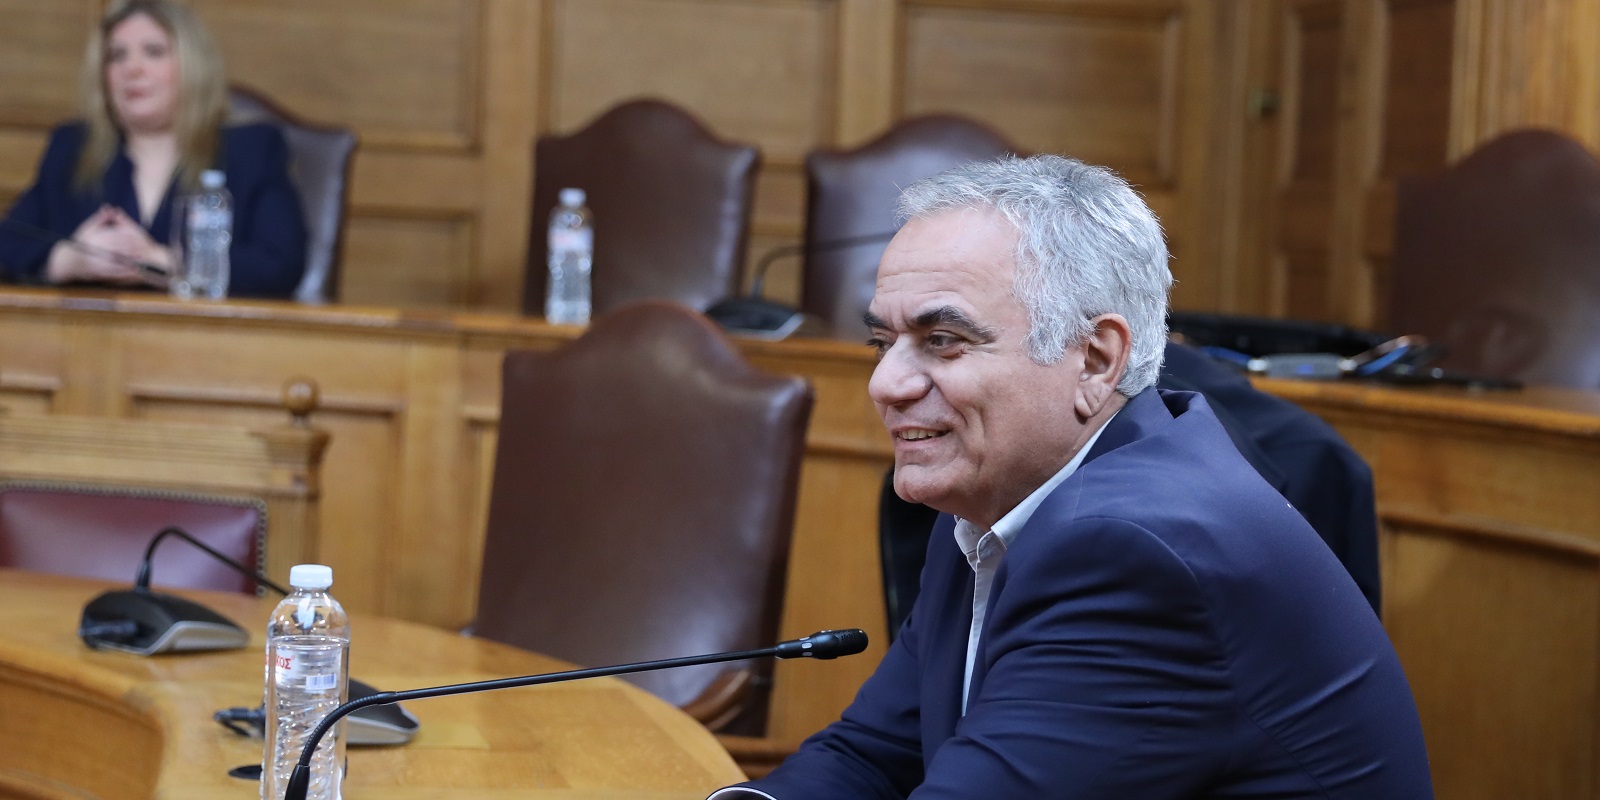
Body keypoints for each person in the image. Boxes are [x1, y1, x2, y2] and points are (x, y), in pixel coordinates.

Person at [710, 155, 1432, 798]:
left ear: (1095, 360)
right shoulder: (995, 503)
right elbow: (874, 756)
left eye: (942, 341)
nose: (886, 384)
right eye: (882, 342)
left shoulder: (1131, 551)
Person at [0, 0, 306, 298]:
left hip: (203, 330)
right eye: (117, 56)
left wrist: (164, 262)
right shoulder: (73, 148)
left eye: (154, 52)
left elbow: (281, 265)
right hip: (88, 329)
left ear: (193, 65)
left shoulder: (251, 150)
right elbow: (9, 241)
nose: (132, 68)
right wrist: (69, 259)